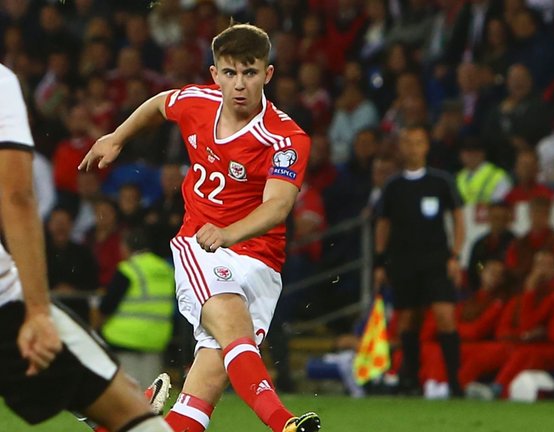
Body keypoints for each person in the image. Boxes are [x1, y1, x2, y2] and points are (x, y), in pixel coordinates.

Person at [79, 24, 320, 432]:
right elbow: (159, 104)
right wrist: (117, 137)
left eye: (250, 72)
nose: (239, 84)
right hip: (201, 246)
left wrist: (231, 233)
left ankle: (120, 422)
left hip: (261, 261)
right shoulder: (198, 101)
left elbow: (278, 206)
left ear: (268, 74)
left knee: (206, 385)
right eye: (230, 72)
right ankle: (285, 424)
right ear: (215, 74)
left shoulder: (285, 137)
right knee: (235, 329)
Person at [0, 64, 172, 432]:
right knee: (134, 416)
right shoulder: (1, 83)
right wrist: (37, 311)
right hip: (5, 303)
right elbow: (16, 195)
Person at [373, 124, 465, 397]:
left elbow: (458, 218)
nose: (412, 148)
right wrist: (380, 262)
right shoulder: (393, 186)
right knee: (408, 320)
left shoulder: (441, 181)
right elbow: (383, 225)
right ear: (400, 147)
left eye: (417, 142)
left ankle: (455, 382)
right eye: (407, 142)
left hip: (436, 259)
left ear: (426, 146)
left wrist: (456, 255)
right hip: (403, 261)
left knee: (445, 316)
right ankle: (410, 379)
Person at [96, 227, 176, 388]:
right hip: (156, 338)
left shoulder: (128, 270)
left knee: (128, 391)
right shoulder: (167, 269)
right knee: (152, 392)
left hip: (123, 338)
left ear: (126, 247)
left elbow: (106, 306)